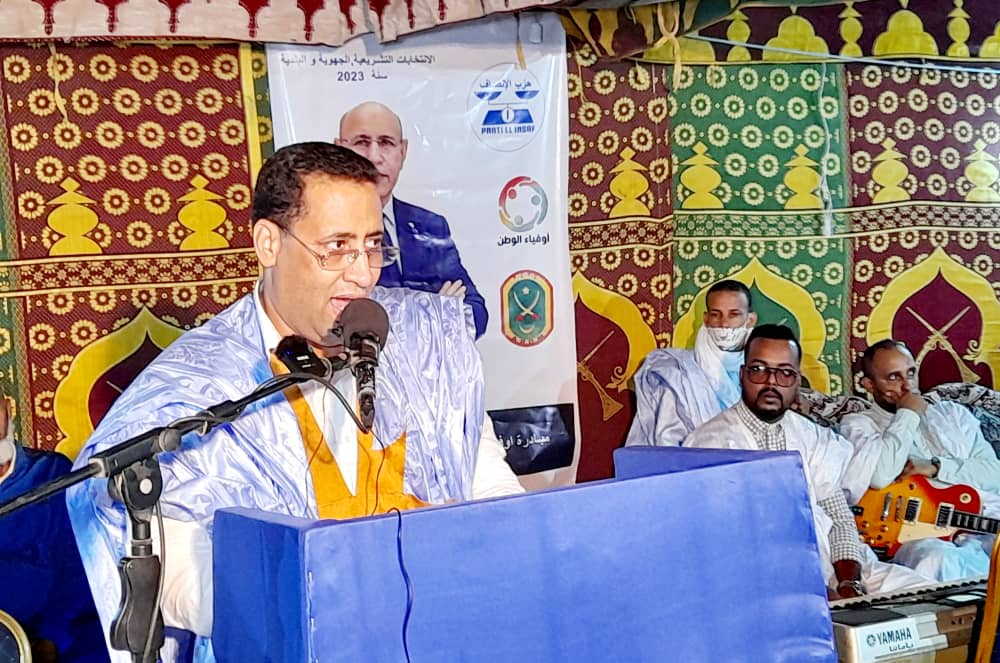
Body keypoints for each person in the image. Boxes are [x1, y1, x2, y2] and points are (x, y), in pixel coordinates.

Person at [66, 142, 523, 663]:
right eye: (337, 247)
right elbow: (156, 555)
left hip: (441, 634)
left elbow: (487, 483)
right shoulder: (195, 386)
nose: (363, 273)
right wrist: (315, 603)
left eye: (373, 245)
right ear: (268, 243)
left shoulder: (425, 342)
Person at [685, 325, 931, 597]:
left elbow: (838, 517)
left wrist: (849, 584)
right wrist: (815, 593)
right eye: (759, 369)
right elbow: (725, 543)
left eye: (785, 373)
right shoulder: (710, 445)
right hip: (762, 582)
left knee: (926, 597)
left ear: (797, 381)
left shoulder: (813, 437)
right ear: (743, 374)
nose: (771, 382)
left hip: (835, 569)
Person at [840, 339, 1000, 581]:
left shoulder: (952, 414)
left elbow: (994, 474)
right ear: (869, 385)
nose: (908, 385)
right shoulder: (859, 425)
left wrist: (936, 467)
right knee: (936, 559)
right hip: (919, 536)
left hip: (985, 523)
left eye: (911, 373)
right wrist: (908, 413)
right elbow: (880, 476)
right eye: (893, 377)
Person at [336, 101, 488, 339]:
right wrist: (435, 311)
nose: (374, 157)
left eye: (386, 143)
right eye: (361, 142)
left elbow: (477, 313)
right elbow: (338, 323)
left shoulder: (430, 226)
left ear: (403, 151)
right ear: (339, 150)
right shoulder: (325, 230)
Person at [0, 389, 107, 662]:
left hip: (62, 642)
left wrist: (50, 639)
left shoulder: (52, 475)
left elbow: (81, 568)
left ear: (8, 410)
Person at [626, 279, 757, 447]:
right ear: (706, 319)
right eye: (716, 314)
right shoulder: (678, 374)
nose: (724, 324)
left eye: (734, 315)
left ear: (750, 320)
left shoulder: (764, 372)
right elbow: (667, 441)